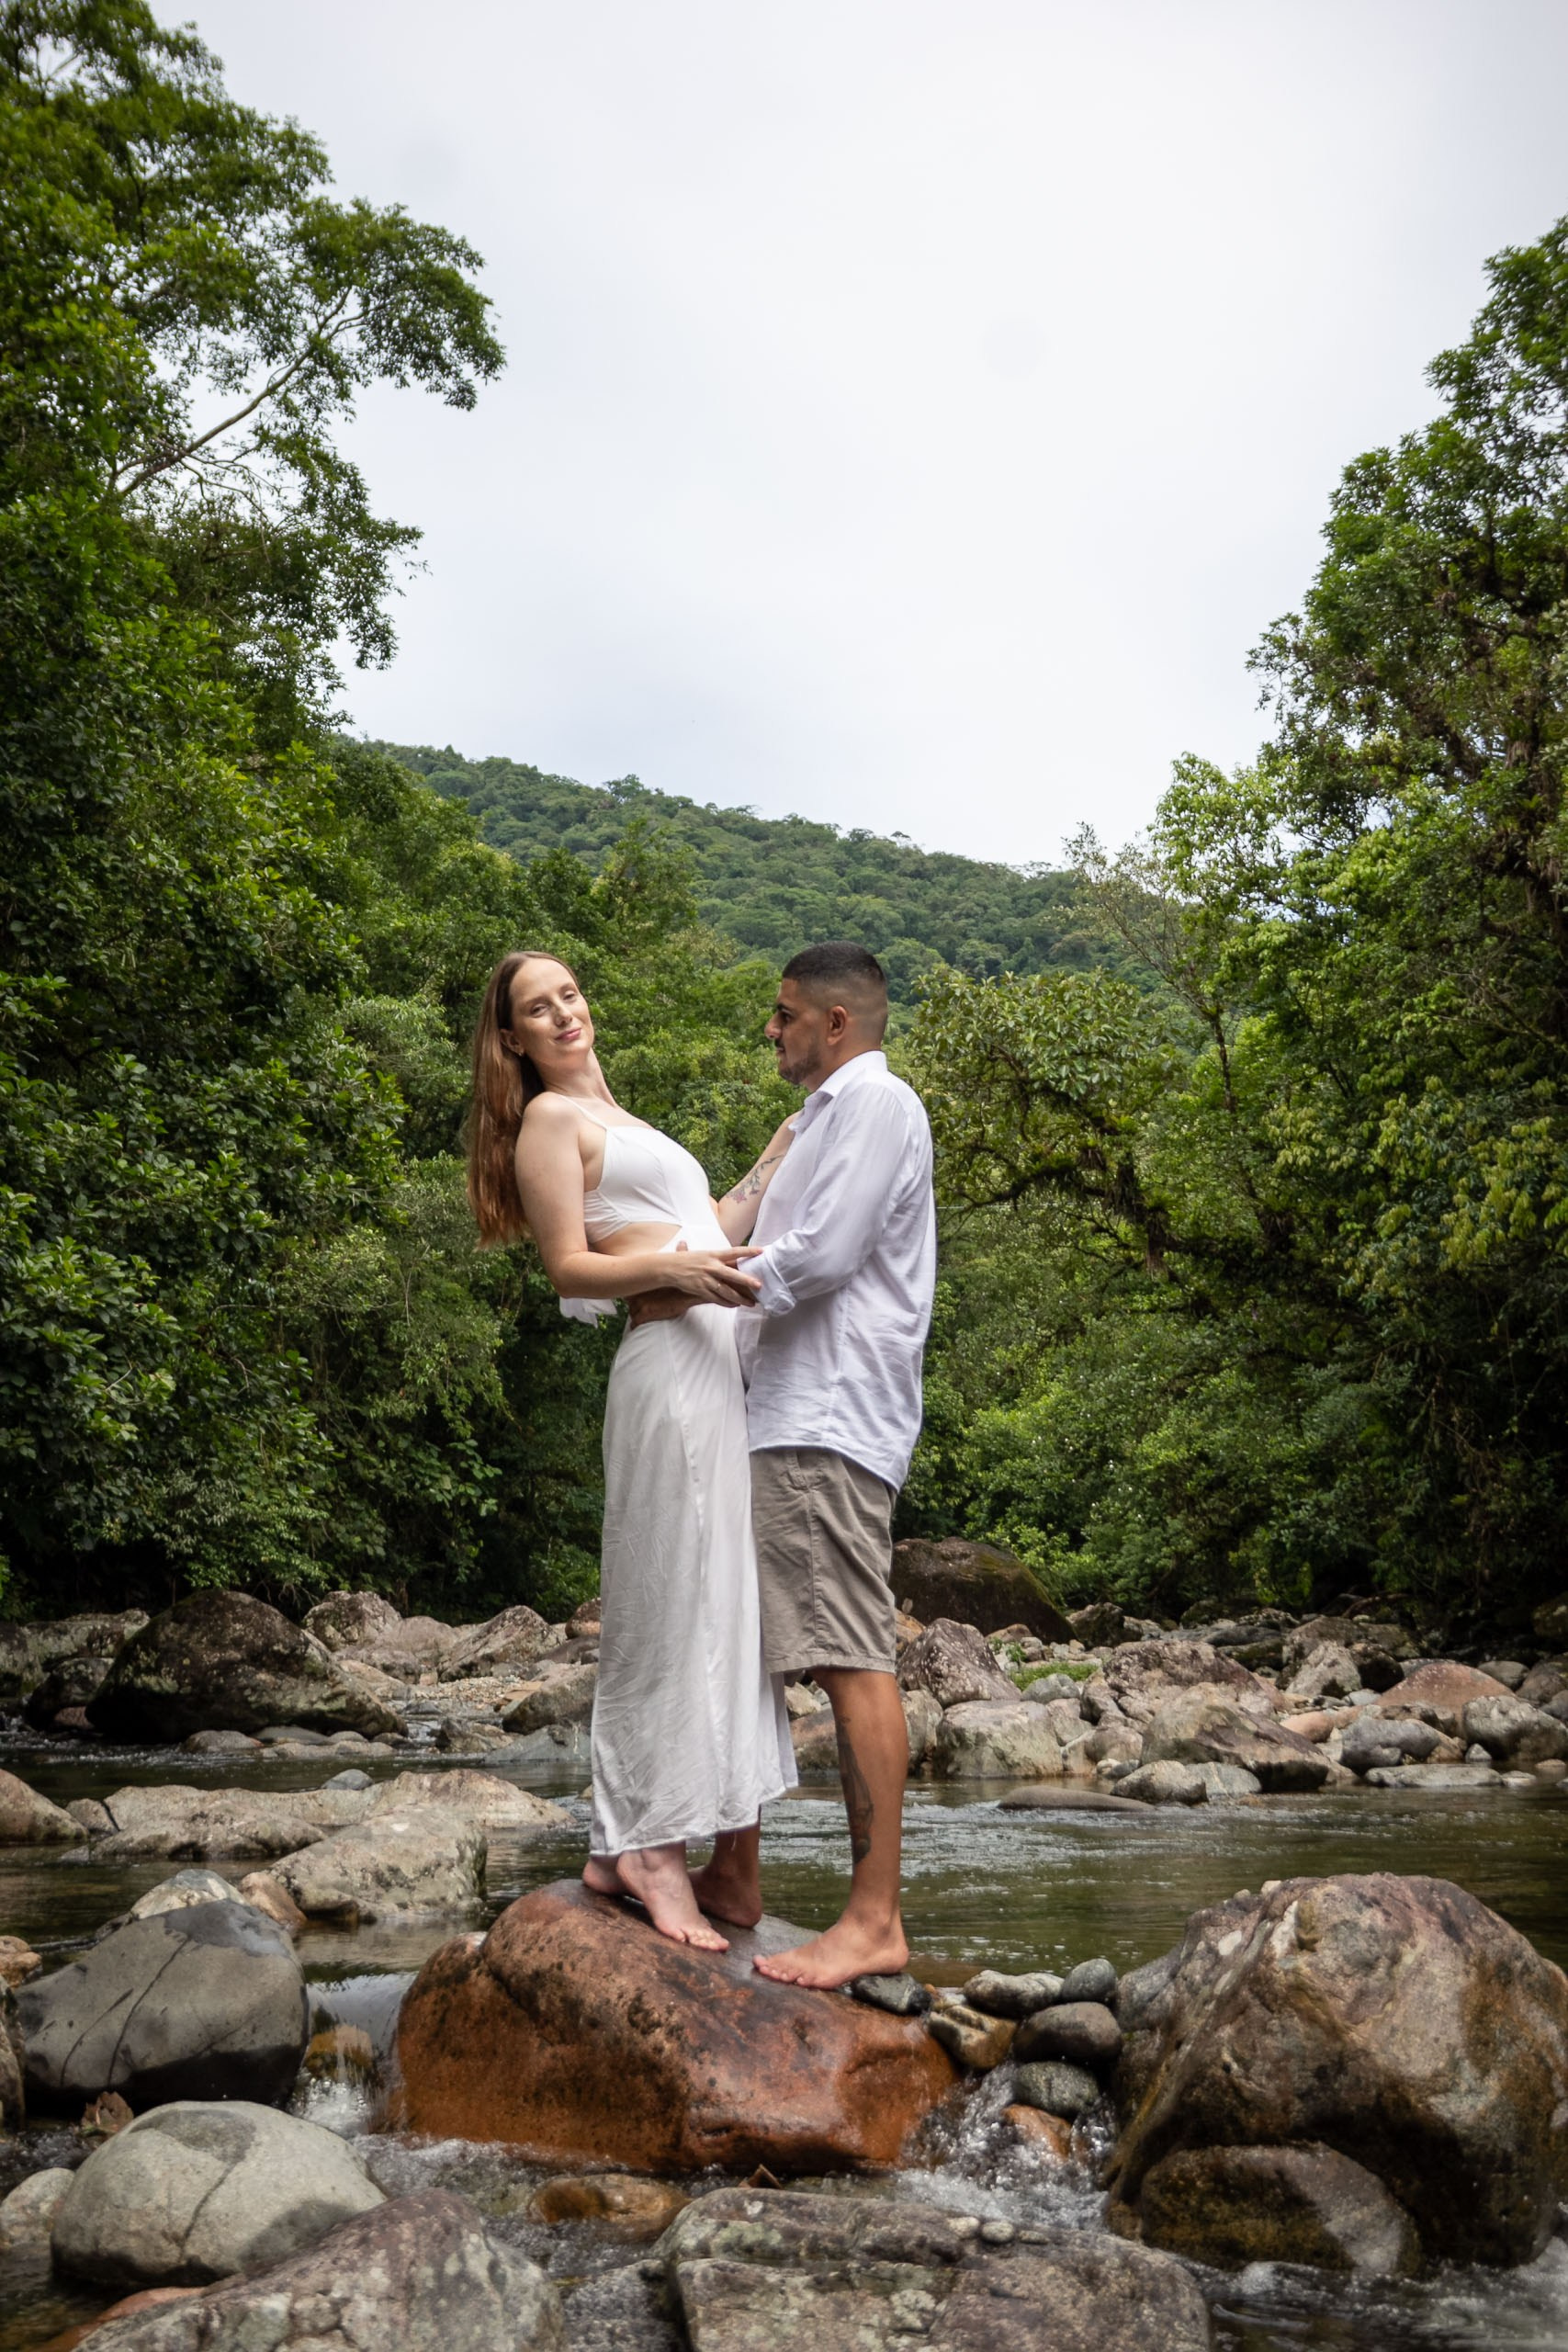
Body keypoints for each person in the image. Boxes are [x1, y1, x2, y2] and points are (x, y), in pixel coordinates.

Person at [466, 949, 797, 1952]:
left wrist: (783, 1149)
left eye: (567, 993)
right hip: (663, 1374)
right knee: (669, 1602)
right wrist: (681, 1269)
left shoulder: (631, 1124)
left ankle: (674, 1853)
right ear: (513, 1037)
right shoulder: (548, 1122)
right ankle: (646, 1848)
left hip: (715, 1374)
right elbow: (571, 1265)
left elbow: (709, 1228)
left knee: (726, 1604)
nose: (563, 1012)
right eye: (538, 1006)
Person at [633, 941, 936, 1988]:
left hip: (827, 1415)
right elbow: (749, 1214)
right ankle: (736, 1873)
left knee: (849, 1651)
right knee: (753, 1640)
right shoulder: (818, 1119)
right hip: (782, 1412)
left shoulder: (879, 1106)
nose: (771, 1028)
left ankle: (873, 1919)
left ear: (837, 1024)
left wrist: (681, 1288)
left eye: (785, 1013)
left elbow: (821, 1257)